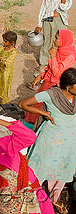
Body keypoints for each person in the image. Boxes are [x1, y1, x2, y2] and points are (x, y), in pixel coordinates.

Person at [19, 68, 76, 214]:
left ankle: (53, 199)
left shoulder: (75, 96)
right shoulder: (51, 94)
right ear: (68, 86)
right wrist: (44, 113)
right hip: (50, 141)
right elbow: (23, 104)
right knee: (41, 170)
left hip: (69, 142)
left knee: (62, 170)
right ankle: (28, 199)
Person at [34, 0, 72, 68]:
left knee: (60, 42)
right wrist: (39, 23)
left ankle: (58, 63)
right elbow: (43, 8)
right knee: (47, 41)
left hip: (61, 20)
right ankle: (44, 63)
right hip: (49, 19)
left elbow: (63, 7)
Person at [0, 31, 18, 105]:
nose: (3, 42)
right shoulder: (3, 48)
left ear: (11, 42)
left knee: (4, 89)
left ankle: (4, 105)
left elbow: (7, 63)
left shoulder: (13, 52)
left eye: (5, 41)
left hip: (5, 74)